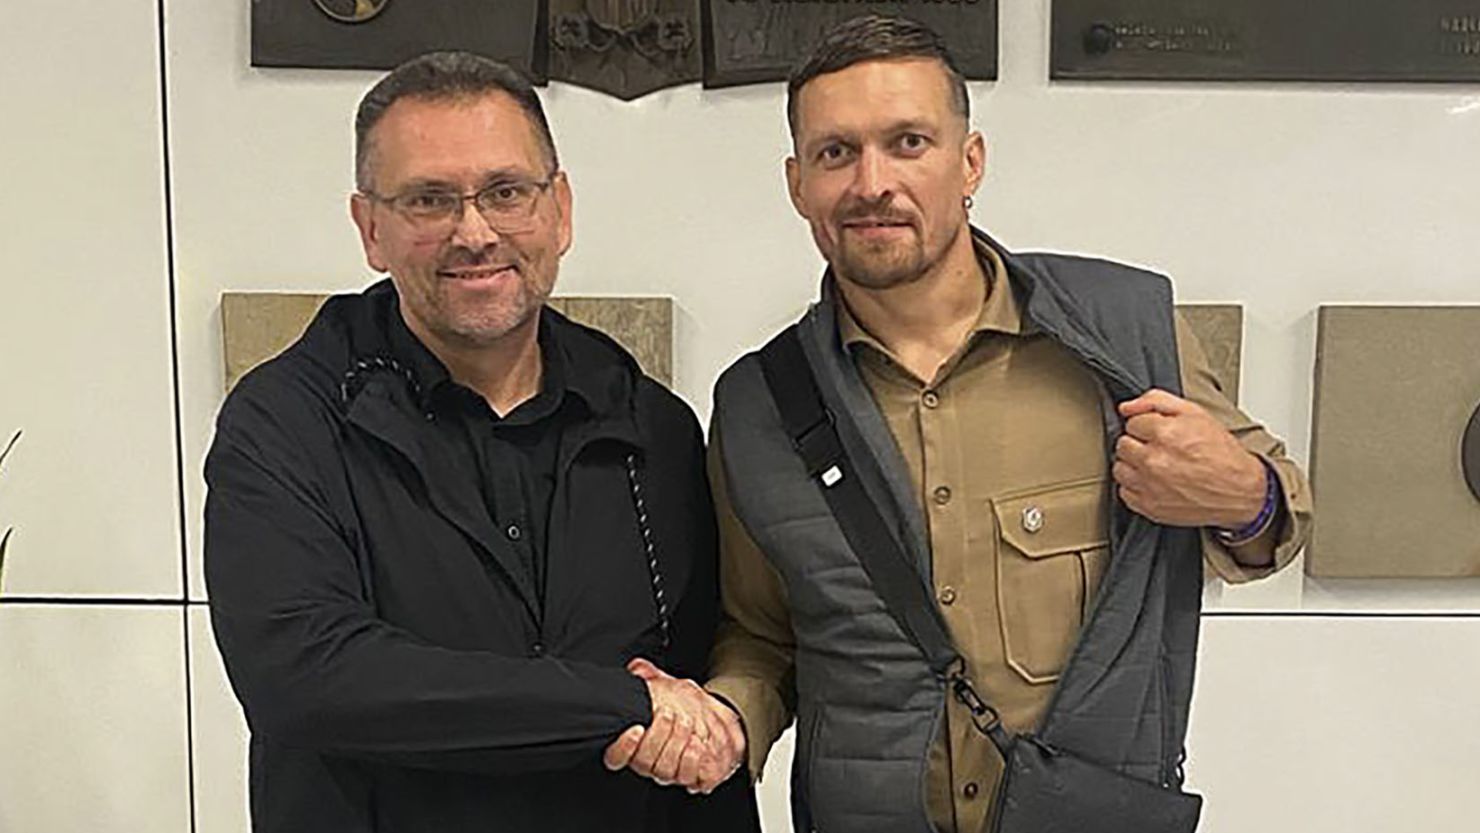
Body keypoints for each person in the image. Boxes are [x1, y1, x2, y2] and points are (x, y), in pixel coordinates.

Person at [604, 15, 1313, 833]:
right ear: (798, 184)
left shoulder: (1123, 334)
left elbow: (1281, 516)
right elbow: (763, 637)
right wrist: (722, 721)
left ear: (969, 162)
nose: (873, 182)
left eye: (908, 142)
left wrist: (1241, 495)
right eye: (837, 152)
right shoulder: (757, 403)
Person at [204, 51, 756, 833]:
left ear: (559, 209)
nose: (474, 232)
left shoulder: (653, 427)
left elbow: (693, 699)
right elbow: (310, 678)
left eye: (505, 192)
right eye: (429, 200)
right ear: (371, 228)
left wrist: (703, 722)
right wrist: (618, 702)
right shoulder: (286, 424)